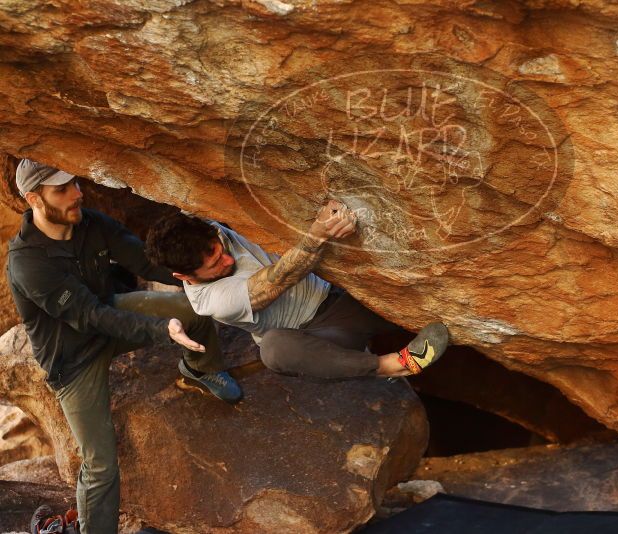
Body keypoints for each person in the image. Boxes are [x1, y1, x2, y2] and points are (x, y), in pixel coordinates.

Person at [6, 159, 242, 534]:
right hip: (74, 358)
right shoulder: (27, 263)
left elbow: (145, 261)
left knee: (194, 307)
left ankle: (200, 369)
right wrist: (160, 330)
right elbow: (89, 316)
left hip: (110, 316)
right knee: (100, 464)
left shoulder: (90, 223)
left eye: (75, 184)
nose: (77, 193)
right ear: (34, 199)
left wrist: (200, 270)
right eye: (62, 190)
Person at [144, 200, 449, 381]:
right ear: (184, 276)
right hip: (317, 334)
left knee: (440, 313)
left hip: (338, 293)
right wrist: (318, 235)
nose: (227, 257)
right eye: (214, 264)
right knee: (273, 350)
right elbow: (277, 280)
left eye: (219, 247)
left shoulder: (206, 229)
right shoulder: (211, 302)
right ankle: (393, 365)